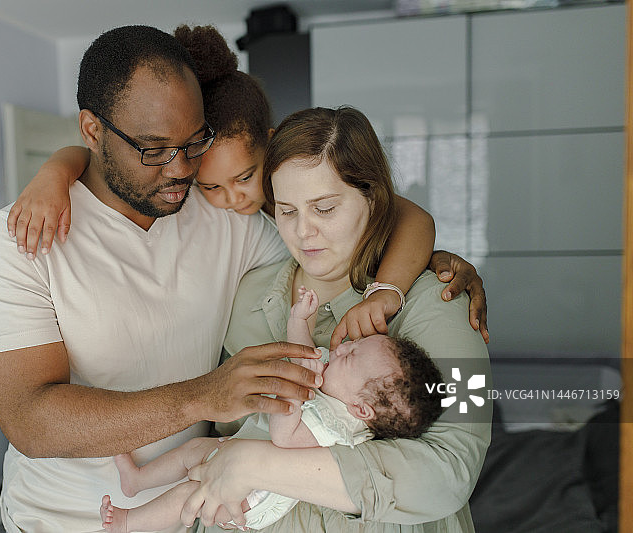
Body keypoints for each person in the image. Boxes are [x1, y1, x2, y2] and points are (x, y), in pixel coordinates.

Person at [0, 26, 456, 532]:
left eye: (193, 142)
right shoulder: (19, 241)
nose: (180, 170)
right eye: (153, 149)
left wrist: (433, 265)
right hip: (58, 522)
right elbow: (31, 421)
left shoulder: (220, 211)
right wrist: (206, 395)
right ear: (91, 131)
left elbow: (360, 224)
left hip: (197, 516)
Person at [7, 24, 490, 345]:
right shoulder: (234, 263)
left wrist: (397, 284)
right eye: (210, 186)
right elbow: (100, 156)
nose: (233, 198)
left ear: (274, 149)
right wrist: (54, 173)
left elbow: (408, 216)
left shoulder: (435, 300)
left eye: (324, 209)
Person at [176, 107, 492, 533]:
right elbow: (222, 440)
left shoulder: (444, 299)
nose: (303, 232)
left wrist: (259, 464)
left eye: (324, 208)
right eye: (287, 211)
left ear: (373, 199)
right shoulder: (245, 298)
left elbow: (452, 470)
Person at [98, 288, 444, 532]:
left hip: (253, 497)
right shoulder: (336, 381)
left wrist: (297, 393)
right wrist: (299, 321)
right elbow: (301, 355)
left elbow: (284, 437)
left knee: (192, 494)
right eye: (354, 344)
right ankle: (138, 480)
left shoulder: (336, 428)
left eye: (352, 355)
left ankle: (131, 523)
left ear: (361, 409)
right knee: (194, 450)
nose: (343, 348)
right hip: (236, 451)